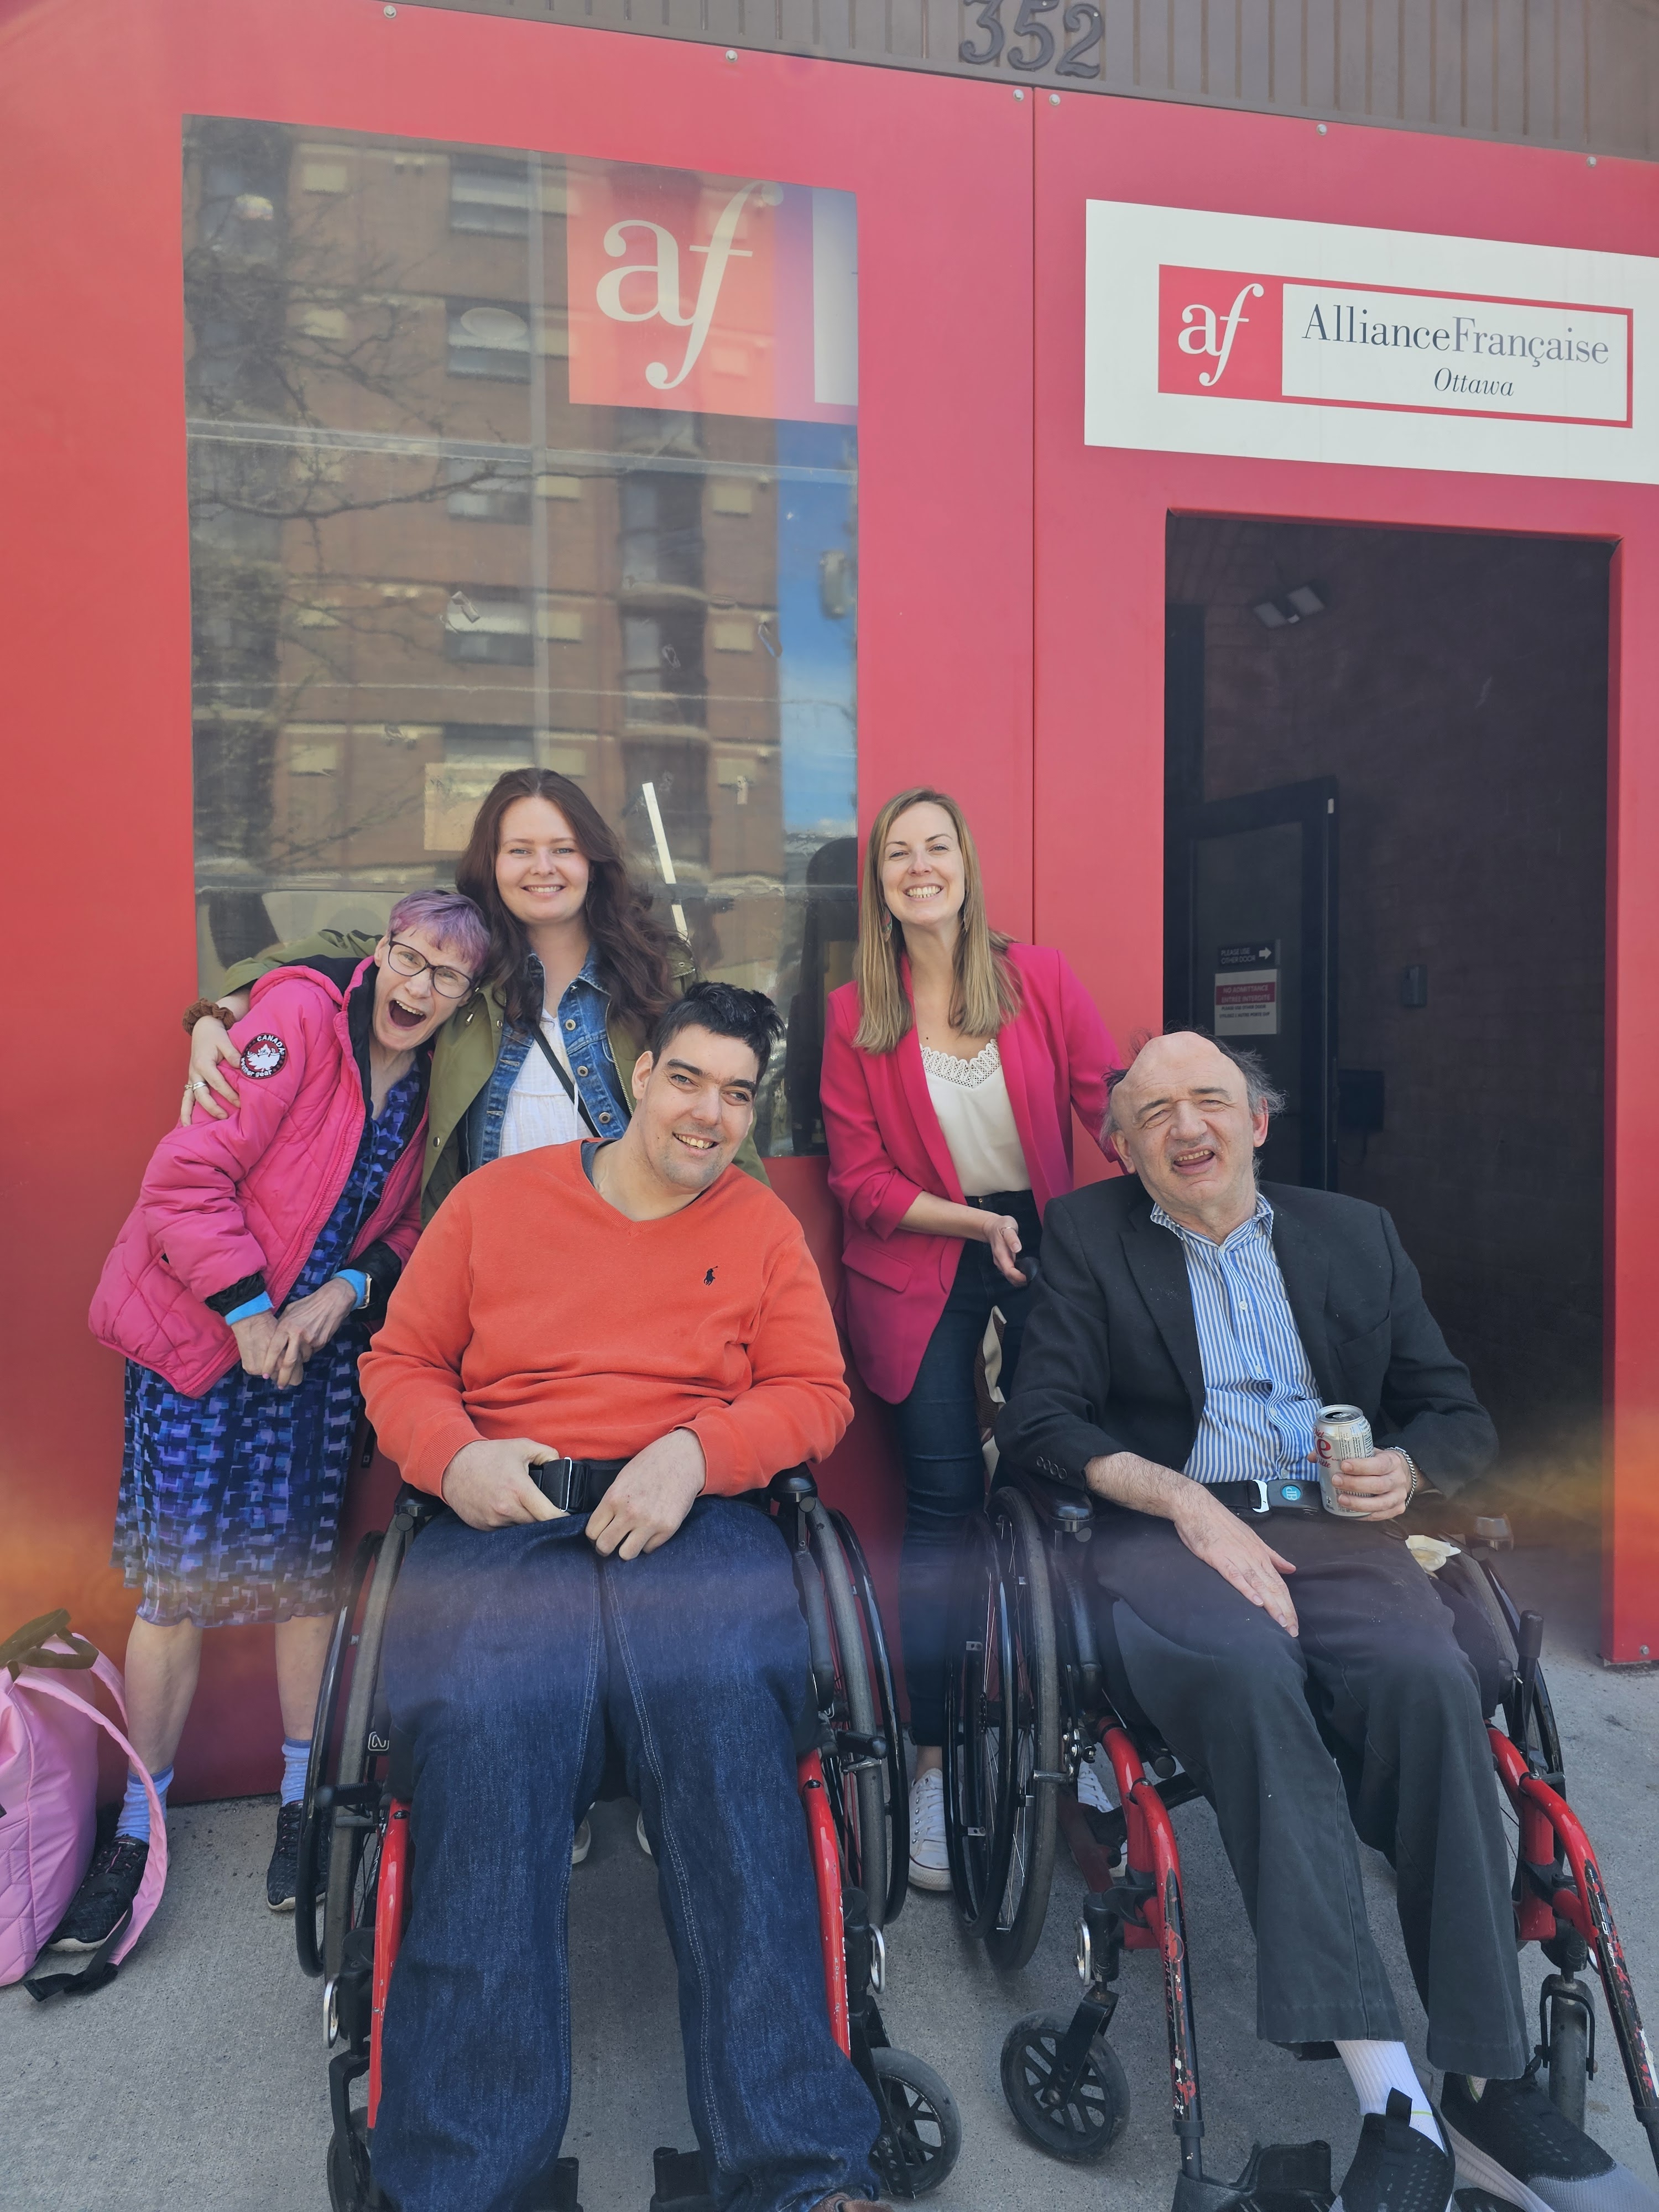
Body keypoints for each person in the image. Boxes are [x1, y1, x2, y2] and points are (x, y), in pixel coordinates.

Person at [998, 1028, 1657, 2212]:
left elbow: (1456, 1413)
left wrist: (1405, 1468)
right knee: (1250, 1684)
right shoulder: (1087, 1237)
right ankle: (1391, 2099)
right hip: (1173, 1534)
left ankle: (1484, 2078)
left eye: (1212, 1099)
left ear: (1259, 1119)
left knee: (1430, 1680)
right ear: (1123, 1148)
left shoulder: (1355, 1233)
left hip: (1342, 1533)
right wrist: (1184, 1501)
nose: (1187, 1126)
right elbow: (1040, 1417)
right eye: (1156, 1114)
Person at [354, 983, 888, 2212]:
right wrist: (457, 1458)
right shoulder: (498, 1201)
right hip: (511, 1506)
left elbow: (816, 1390)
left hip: (691, 1514)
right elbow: (402, 1363)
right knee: (485, 1754)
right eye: (690, 1079)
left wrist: (699, 1452)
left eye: (740, 1095)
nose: (710, 1112)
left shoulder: (758, 1227)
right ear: (640, 1075)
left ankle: (802, 2168)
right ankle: (463, 2175)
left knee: (728, 1753)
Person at [57, 891, 489, 1957]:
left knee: (304, 1581)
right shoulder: (292, 1019)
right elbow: (184, 1181)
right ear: (377, 952)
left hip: (313, 1356)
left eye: (444, 976)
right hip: (205, 1343)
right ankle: (137, 1829)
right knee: (177, 1588)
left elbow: (405, 1223)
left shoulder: (439, 1082)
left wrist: (340, 1294)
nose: (415, 986)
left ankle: (303, 1804)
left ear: (468, 1001)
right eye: (405, 956)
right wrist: (252, 1312)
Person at [818, 786, 1117, 1895]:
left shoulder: (1037, 978)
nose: (919, 864)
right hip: (924, 1257)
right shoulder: (858, 1009)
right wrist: (974, 1218)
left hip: (1045, 1248)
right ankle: (937, 1766)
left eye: (936, 844)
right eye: (900, 852)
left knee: (1074, 1495)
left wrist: (1179, 1174)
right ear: (882, 883)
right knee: (943, 1512)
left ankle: (1071, 1743)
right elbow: (859, 1181)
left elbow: (1106, 1101)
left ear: (966, 862)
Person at [180, 767, 766, 1215]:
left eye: (563, 848)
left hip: (638, 1241)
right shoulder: (458, 960)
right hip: (499, 1252)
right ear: (492, 862)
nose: (544, 867)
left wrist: (760, 1241)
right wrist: (218, 1013)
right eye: (520, 851)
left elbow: (713, 1113)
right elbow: (335, 950)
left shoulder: (655, 969)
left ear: (592, 858)